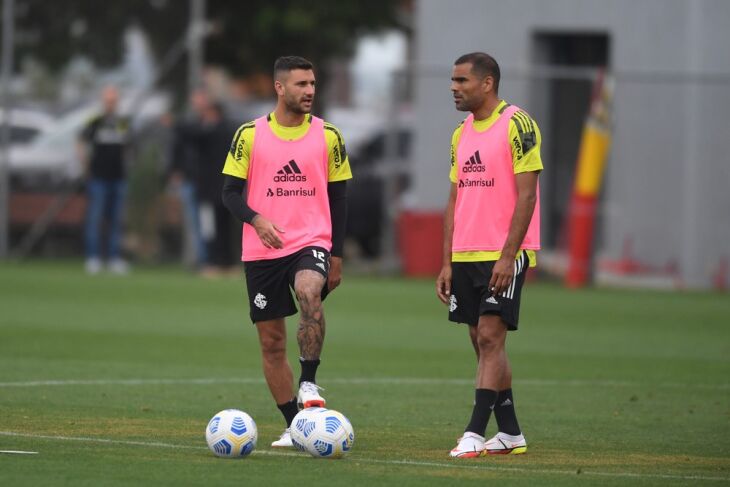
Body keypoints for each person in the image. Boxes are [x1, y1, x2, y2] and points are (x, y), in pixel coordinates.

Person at [221, 56, 351, 448]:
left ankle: (309, 379)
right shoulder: (249, 135)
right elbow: (228, 194)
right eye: (301, 84)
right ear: (280, 88)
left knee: (310, 290)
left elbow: (340, 196)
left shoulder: (329, 135)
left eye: (312, 83)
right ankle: (296, 425)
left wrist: (338, 254)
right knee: (271, 343)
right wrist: (257, 220)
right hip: (262, 251)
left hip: (311, 241)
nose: (309, 91)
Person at [436, 52, 543, 458]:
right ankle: (511, 432)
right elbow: (453, 198)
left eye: (462, 80)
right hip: (465, 253)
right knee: (481, 342)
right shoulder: (460, 133)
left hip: (505, 253)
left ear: (487, 83)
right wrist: (446, 261)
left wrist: (508, 254)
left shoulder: (518, 124)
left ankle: (474, 432)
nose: (454, 87)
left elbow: (528, 193)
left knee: (490, 335)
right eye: (452, 80)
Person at [78, 86, 132, 275]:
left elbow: (127, 146)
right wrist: (86, 168)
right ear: (103, 102)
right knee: (95, 217)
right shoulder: (95, 121)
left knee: (116, 219)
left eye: (114, 100)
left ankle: (114, 257)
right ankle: (93, 257)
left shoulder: (122, 122)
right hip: (99, 177)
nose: (111, 104)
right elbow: (81, 142)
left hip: (118, 177)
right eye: (108, 100)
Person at [168, 89, 210, 270]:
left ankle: (210, 258)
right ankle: (201, 259)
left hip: (208, 182)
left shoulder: (209, 123)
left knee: (207, 222)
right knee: (194, 222)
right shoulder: (187, 125)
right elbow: (176, 147)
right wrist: (176, 171)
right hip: (190, 179)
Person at [196, 102, 239, 275]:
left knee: (211, 229)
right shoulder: (232, 132)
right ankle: (228, 263)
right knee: (226, 228)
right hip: (228, 190)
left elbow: (187, 131)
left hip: (210, 190)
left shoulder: (209, 132)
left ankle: (213, 262)